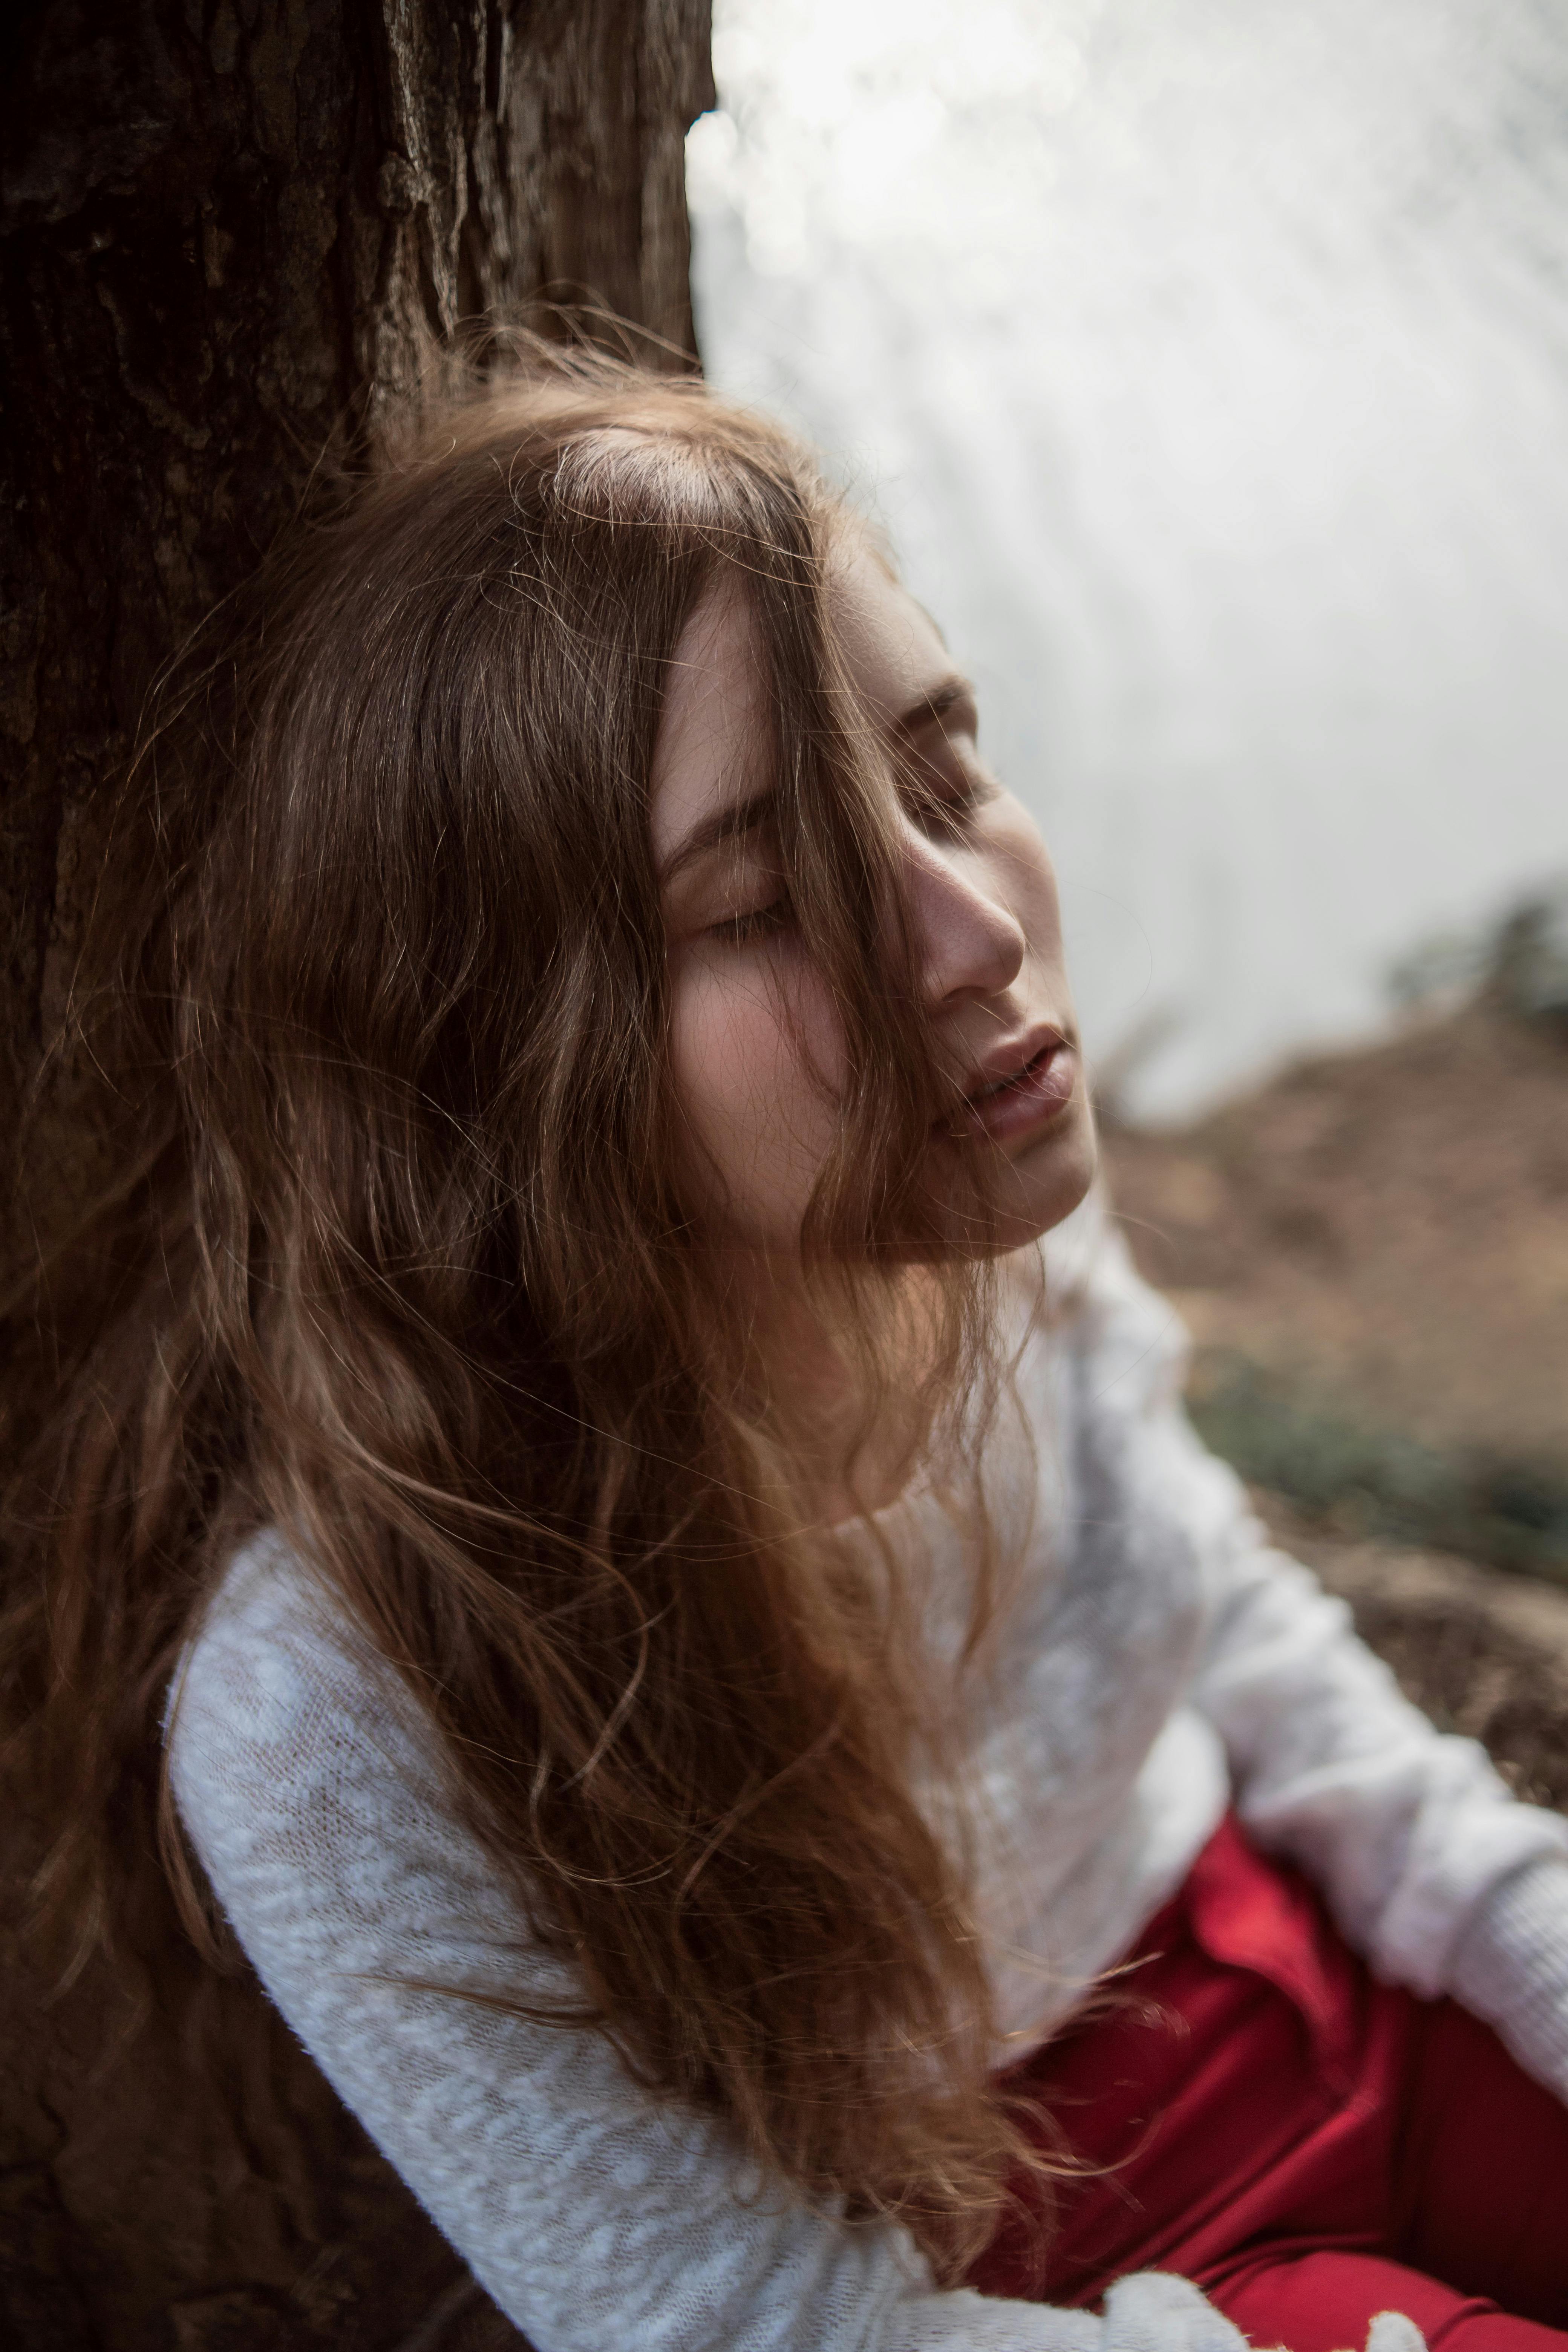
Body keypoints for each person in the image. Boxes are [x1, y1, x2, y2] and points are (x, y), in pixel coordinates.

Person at [6, 350, 1568, 2352]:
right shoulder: (342, 1703)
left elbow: (1275, 1686)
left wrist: (1522, 1946)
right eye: (761, 901)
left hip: (1349, 2003)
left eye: (942, 773)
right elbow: (741, 2325)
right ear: (514, 1057)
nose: (972, 936)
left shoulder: (999, 1239)